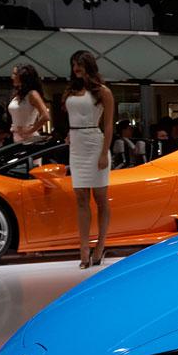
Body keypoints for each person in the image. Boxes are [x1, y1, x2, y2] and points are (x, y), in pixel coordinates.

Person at [64, 50, 114, 268]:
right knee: (81, 198)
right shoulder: (71, 91)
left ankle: (100, 246)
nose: (76, 68)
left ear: (89, 65)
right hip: (76, 147)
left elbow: (109, 125)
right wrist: (70, 134)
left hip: (95, 144)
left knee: (100, 198)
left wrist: (104, 152)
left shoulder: (103, 91)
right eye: (74, 64)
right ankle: (83, 250)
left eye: (80, 64)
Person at [8, 64, 51, 143]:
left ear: (23, 76)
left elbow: (45, 116)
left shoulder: (32, 94)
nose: (12, 77)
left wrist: (30, 131)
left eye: (15, 74)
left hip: (28, 137)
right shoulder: (17, 94)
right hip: (16, 136)